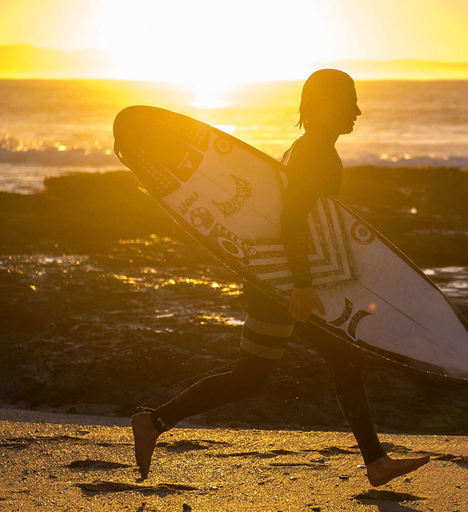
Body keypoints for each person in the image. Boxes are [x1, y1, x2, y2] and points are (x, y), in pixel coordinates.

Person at [131, 69, 430, 487]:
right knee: (342, 360)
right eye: (350, 102)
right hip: (286, 283)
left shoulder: (307, 148)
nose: (358, 111)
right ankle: (376, 462)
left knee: (251, 377)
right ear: (326, 106)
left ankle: (154, 420)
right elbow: (291, 221)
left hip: (274, 280)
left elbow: (298, 219)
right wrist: (304, 285)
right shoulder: (316, 155)